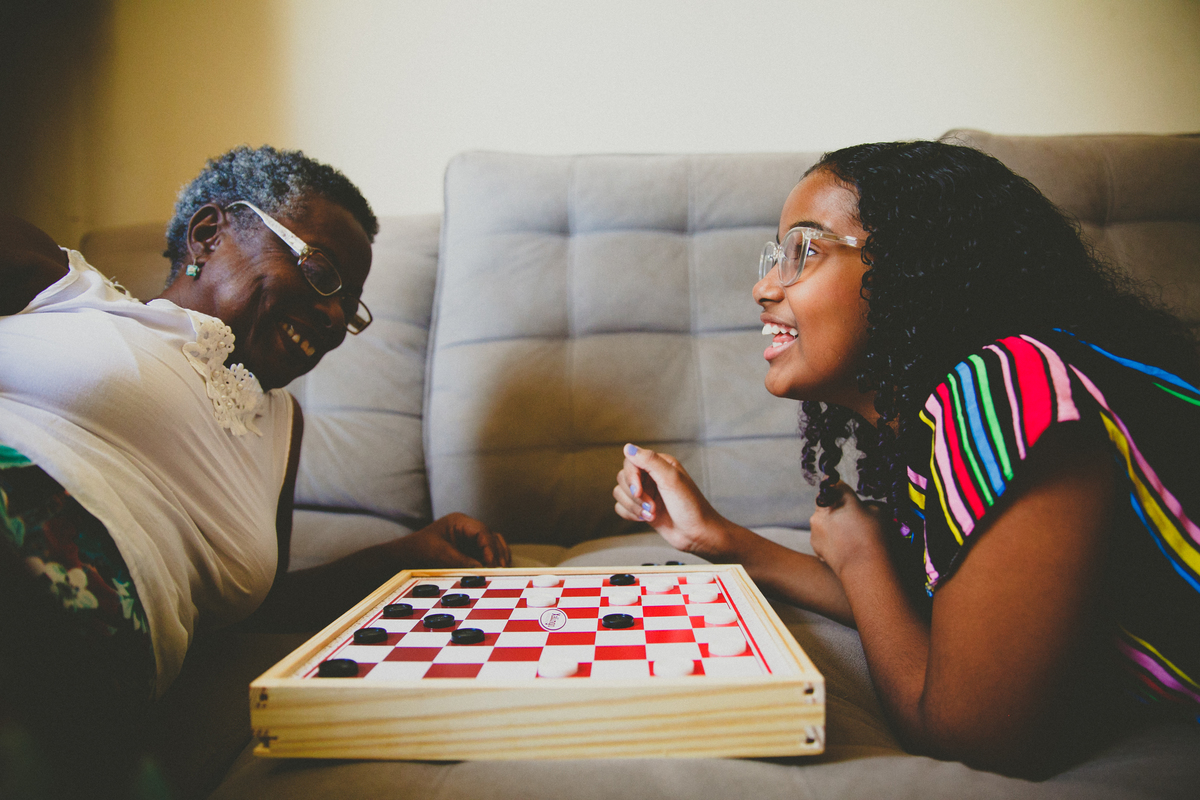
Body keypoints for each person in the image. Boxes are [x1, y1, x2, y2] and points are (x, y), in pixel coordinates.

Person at [614, 141, 1200, 778]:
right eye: (772, 258)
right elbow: (935, 620)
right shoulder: (947, 424)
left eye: (801, 252)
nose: (762, 287)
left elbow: (976, 739)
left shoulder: (1009, 388)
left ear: (912, 270)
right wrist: (718, 537)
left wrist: (862, 555)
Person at [0, 145, 509, 793]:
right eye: (322, 274)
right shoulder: (70, 293)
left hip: (94, 663)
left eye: (348, 305)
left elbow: (256, 605)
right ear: (210, 234)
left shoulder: (282, 429)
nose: (331, 317)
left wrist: (405, 558)